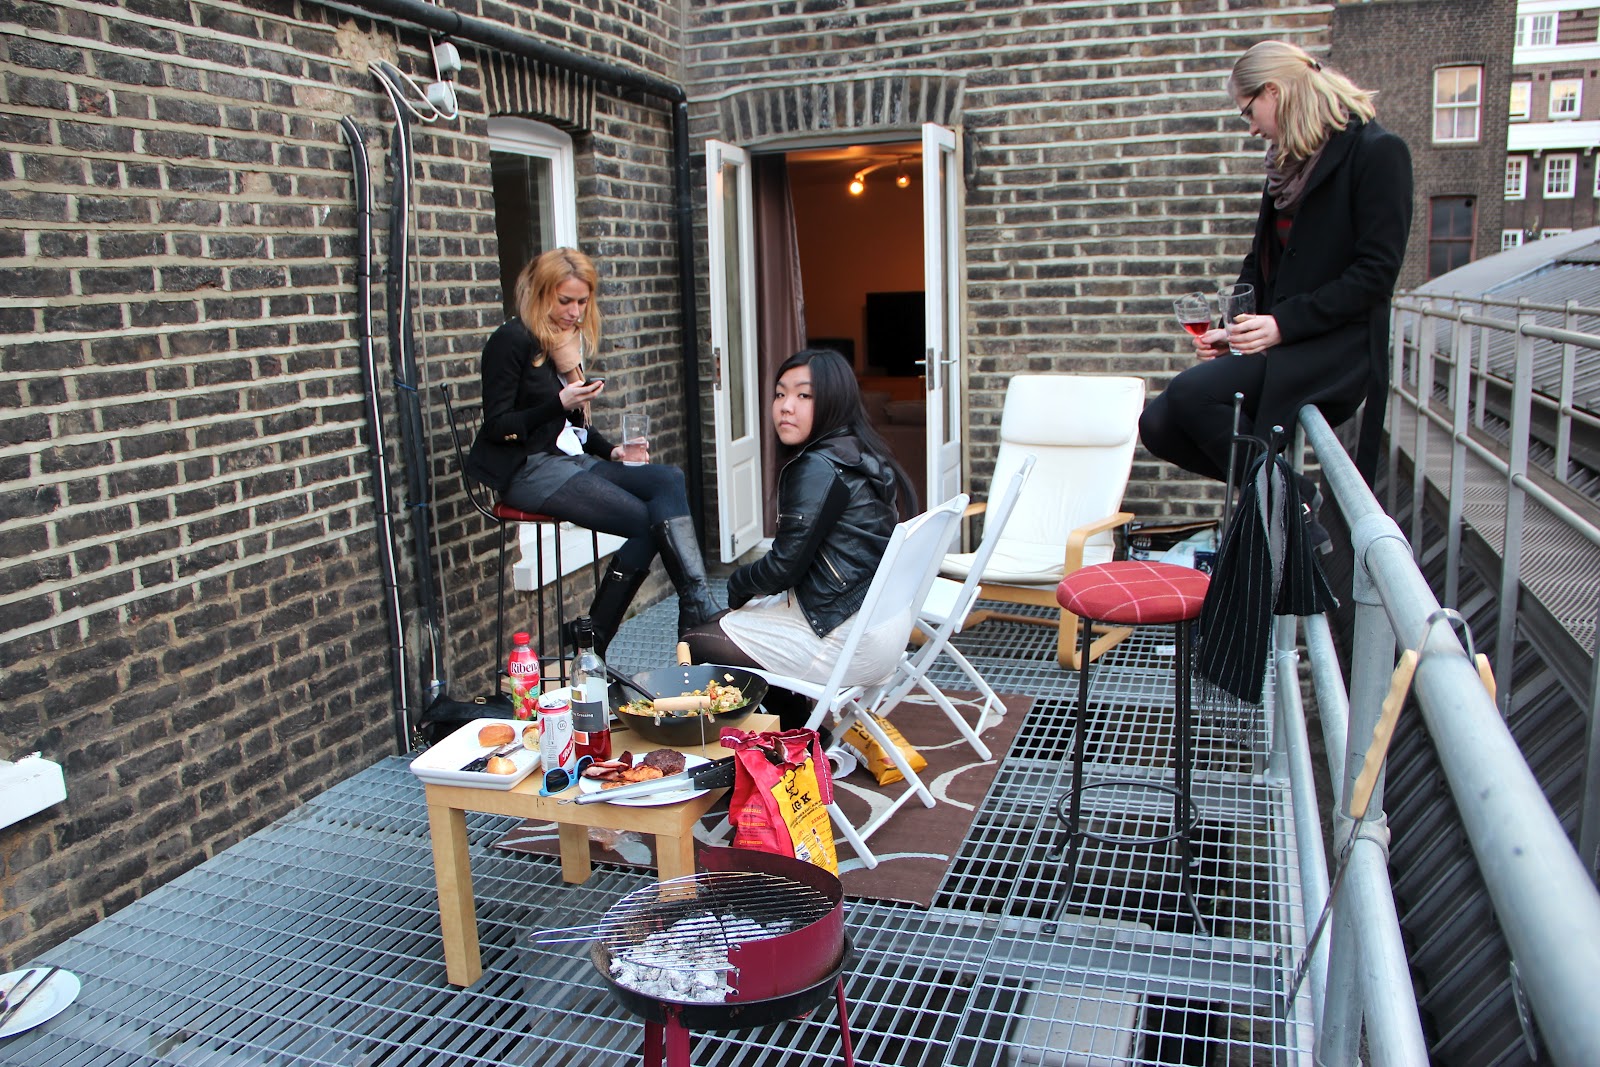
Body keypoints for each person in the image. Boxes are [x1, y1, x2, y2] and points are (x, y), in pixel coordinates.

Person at [1138, 40, 1413, 514]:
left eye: (1248, 111)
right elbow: (1262, 261)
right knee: (1157, 425)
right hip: (1283, 343)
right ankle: (1290, 497)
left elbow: (1375, 275)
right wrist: (1234, 329)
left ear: (1275, 92)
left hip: (1333, 349)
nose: (1250, 127)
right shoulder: (1289, 166)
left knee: (1190, 394)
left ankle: (1293, 506)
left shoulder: (1378, 152)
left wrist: (1282, 325)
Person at [466, 247, 718, 651]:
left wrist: (612, 451)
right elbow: (497, 426)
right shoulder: (511, 341)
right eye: (565, 301)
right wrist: (558, 403)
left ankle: (692, 603)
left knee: (668, 478)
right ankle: (632, 626)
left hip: (569, 460)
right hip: (526, 470)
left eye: (583, 301)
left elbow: (571, 426)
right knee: (648, 523)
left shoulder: (559, 343)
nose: (575, 312)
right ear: (541, 293)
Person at [682, 348, 919, 729]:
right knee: (728, 622)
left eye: (803, 395)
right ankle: (802, 729)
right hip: (883, 625)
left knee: (696, 639)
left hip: (847, 639)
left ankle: (796, 733)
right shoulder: (862, 452)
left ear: (833, 400)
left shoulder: (817, 466)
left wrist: (737, 585)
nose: (786, 407)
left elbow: (782, 568)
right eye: (780, 394)